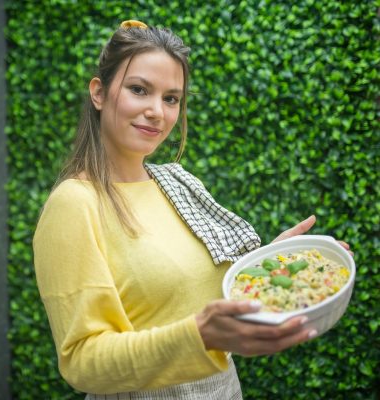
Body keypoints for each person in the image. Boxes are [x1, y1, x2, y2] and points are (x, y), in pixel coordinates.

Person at [32, 20, 351, 399]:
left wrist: (269, 264)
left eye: (171, 98)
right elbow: (84, 361)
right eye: (139, 90)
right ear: (99, 93)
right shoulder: (75, 203)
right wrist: (199, 335)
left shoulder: (176, 183)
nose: (157, 111)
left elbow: (199, 296)